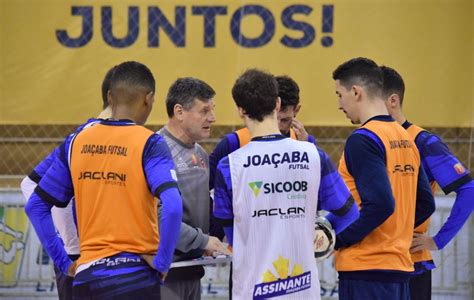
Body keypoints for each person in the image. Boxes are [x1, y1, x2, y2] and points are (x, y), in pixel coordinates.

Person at [25, 61, 183, 299]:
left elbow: (35, 206)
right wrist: (162, 262)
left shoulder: (76, 142)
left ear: (110, 97)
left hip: (87, 277)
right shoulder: (150, 143)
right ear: (148, 98)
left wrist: (63, 262)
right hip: (136, 276)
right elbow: (173, 207)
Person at [213, 69, 359, 299]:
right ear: (278, 102)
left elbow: (232, 235)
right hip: (302, 288)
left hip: (253, 288)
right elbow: (349, 212)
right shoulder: (314, 155)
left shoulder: (228, 166)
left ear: (241, 110)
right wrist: (320, 233)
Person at [332, 57, 436, 300]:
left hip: (365, 269)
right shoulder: (405, 136)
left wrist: (339, 239)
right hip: (399, 268)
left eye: (339, 94)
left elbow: (380, 205)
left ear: (356, 92)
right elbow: (426, 204)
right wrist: (394, 234)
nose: (339, 104)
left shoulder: (363, 139)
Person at [20, 65, 115, 300]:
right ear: (117, 98)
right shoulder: (80, 140)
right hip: (83, 261)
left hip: (114, 258)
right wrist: (69, 251)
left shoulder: (125, 138)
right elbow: (29, 186)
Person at [381, 65, 474, 300]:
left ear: (392, 100)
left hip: (411, 264)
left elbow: (469, 190)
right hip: (374, 261)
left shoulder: (423, 142)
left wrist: (438, 240)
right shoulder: (366, 140)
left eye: (370, 98)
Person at [157, 77, 230, 300]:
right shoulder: (156, 151)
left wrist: (207, 242)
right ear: (179, 111)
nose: (213, 118)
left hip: (192, 271)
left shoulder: (200, 154)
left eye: (212, 110)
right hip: (163, 275)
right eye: (204, 110)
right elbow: (156, 216)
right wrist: (202, 240)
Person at [209, 75, 315, 191]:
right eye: (274, 118)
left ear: (296, 110)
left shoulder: (306, 144)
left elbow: (317, 191)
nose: (277, 126)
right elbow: (208, 186)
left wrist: (307, 153)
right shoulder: (234, 142)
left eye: (284, 120)